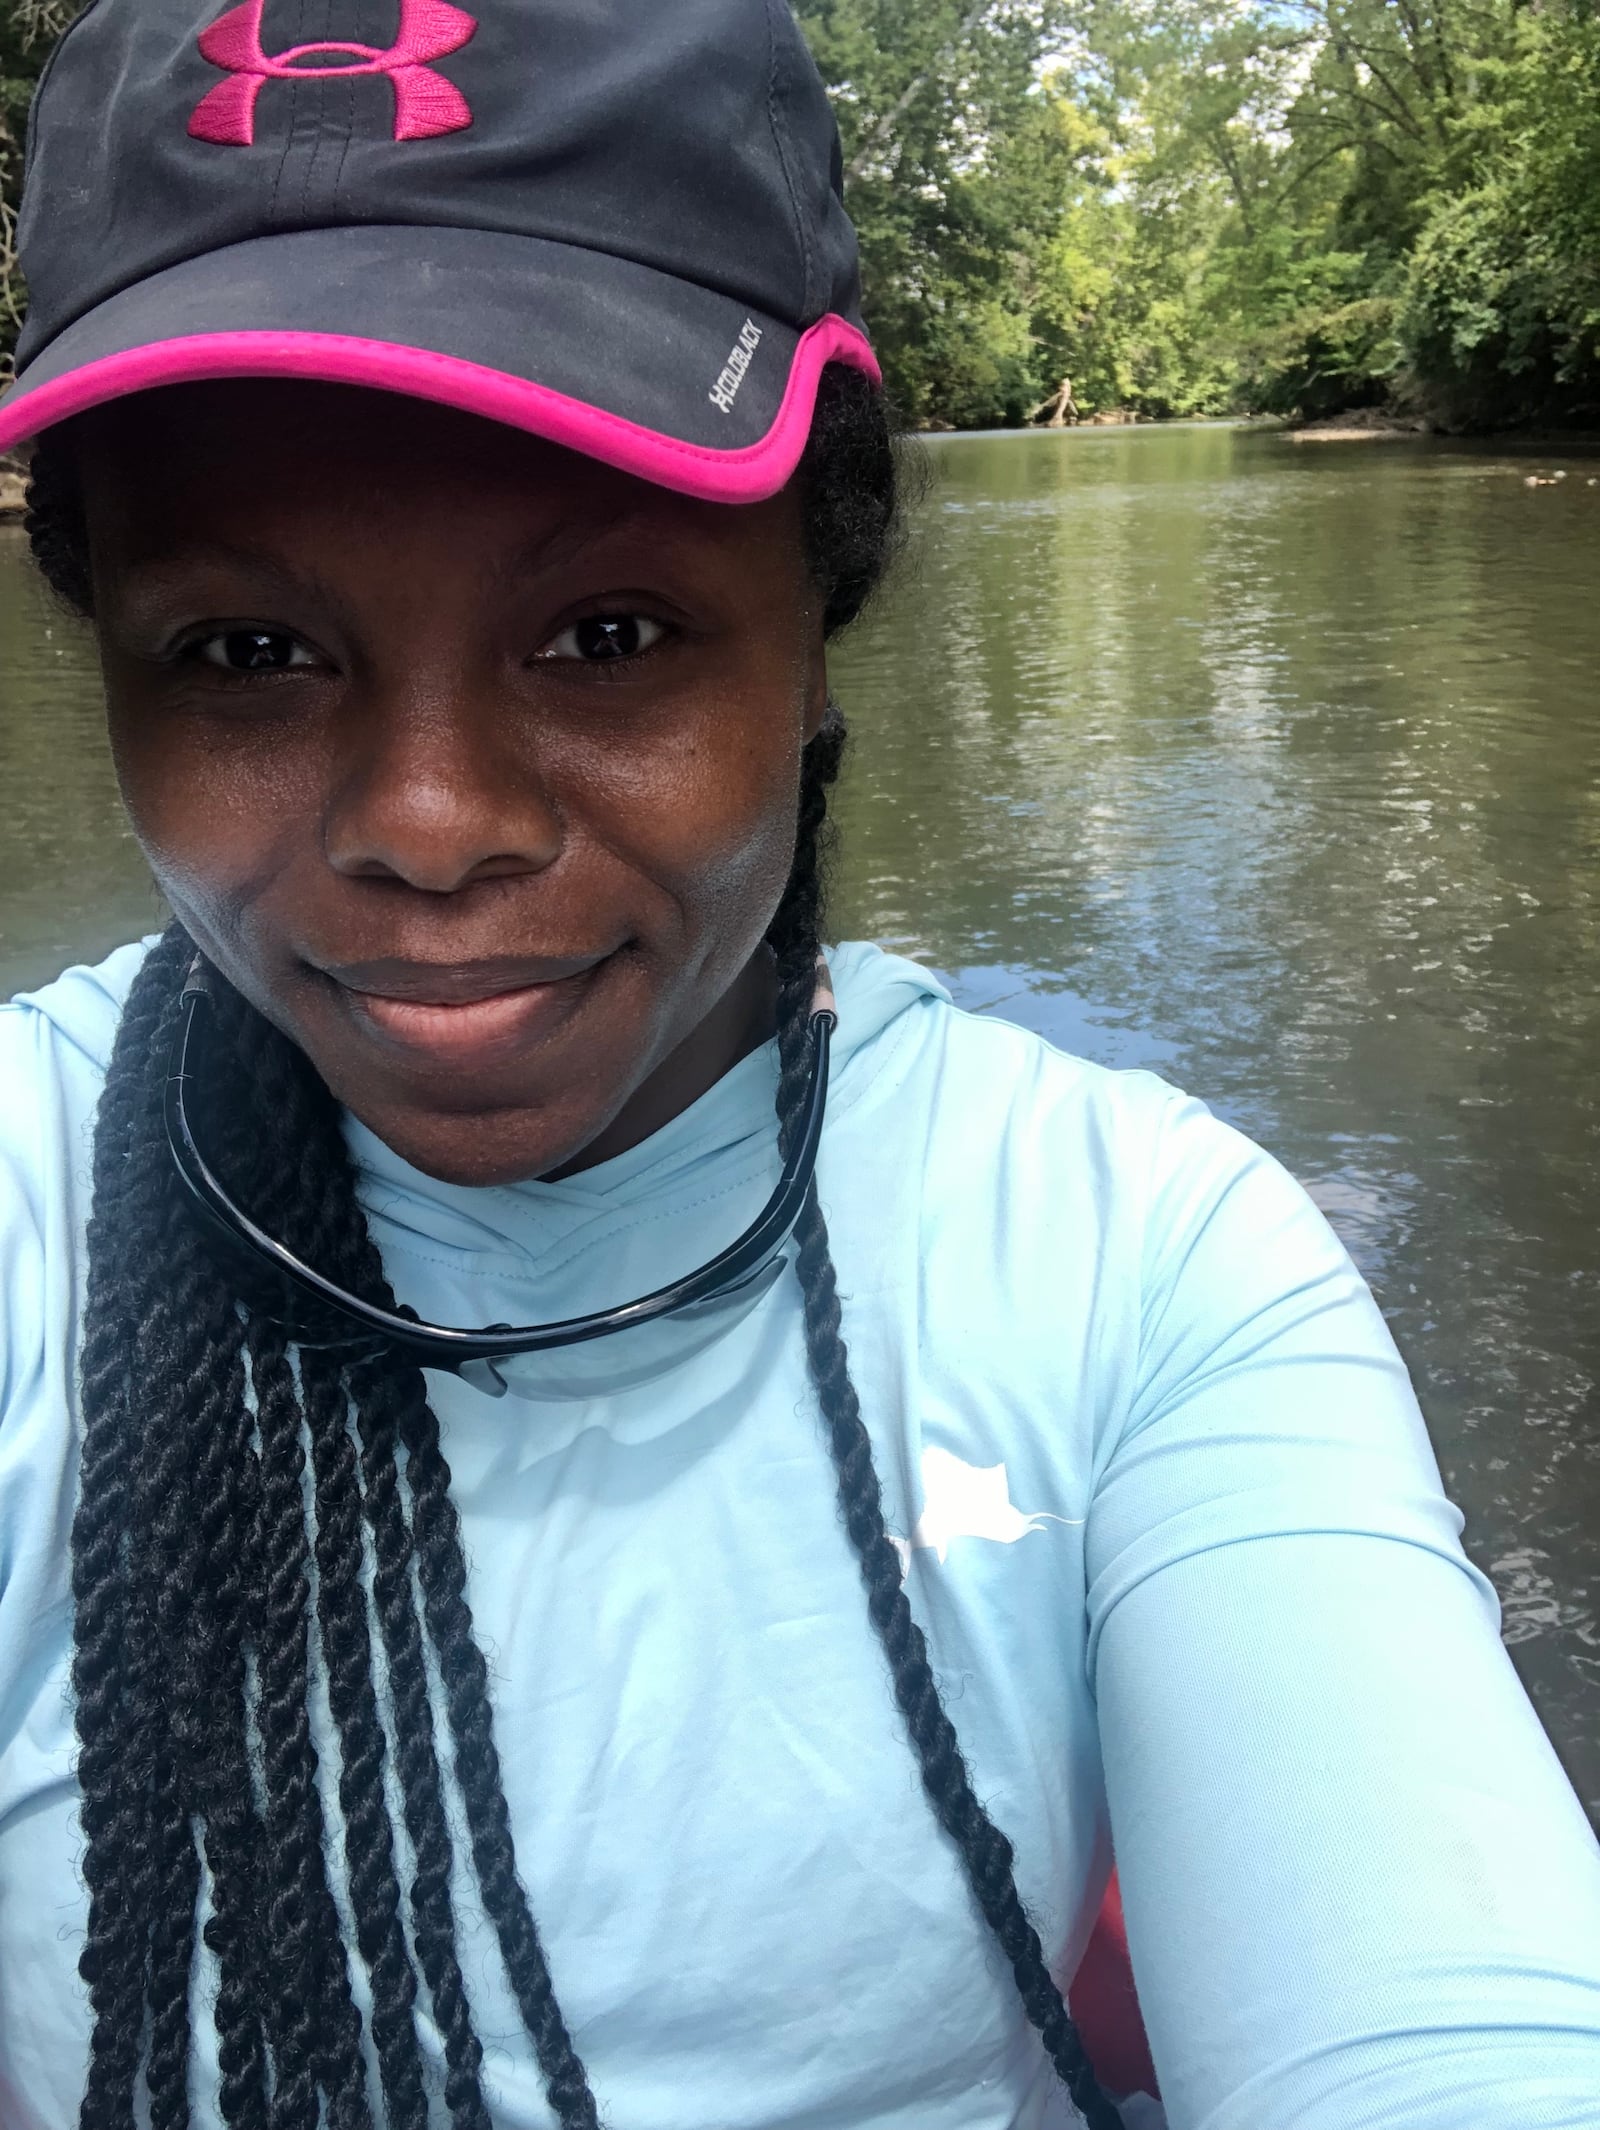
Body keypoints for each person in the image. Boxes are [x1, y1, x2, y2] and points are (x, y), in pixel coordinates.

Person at [1, 3, 1598, 2127]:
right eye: (245, 654)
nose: (432, 818)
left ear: (816, 610)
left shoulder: (1141, 1265)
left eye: (606, 635)